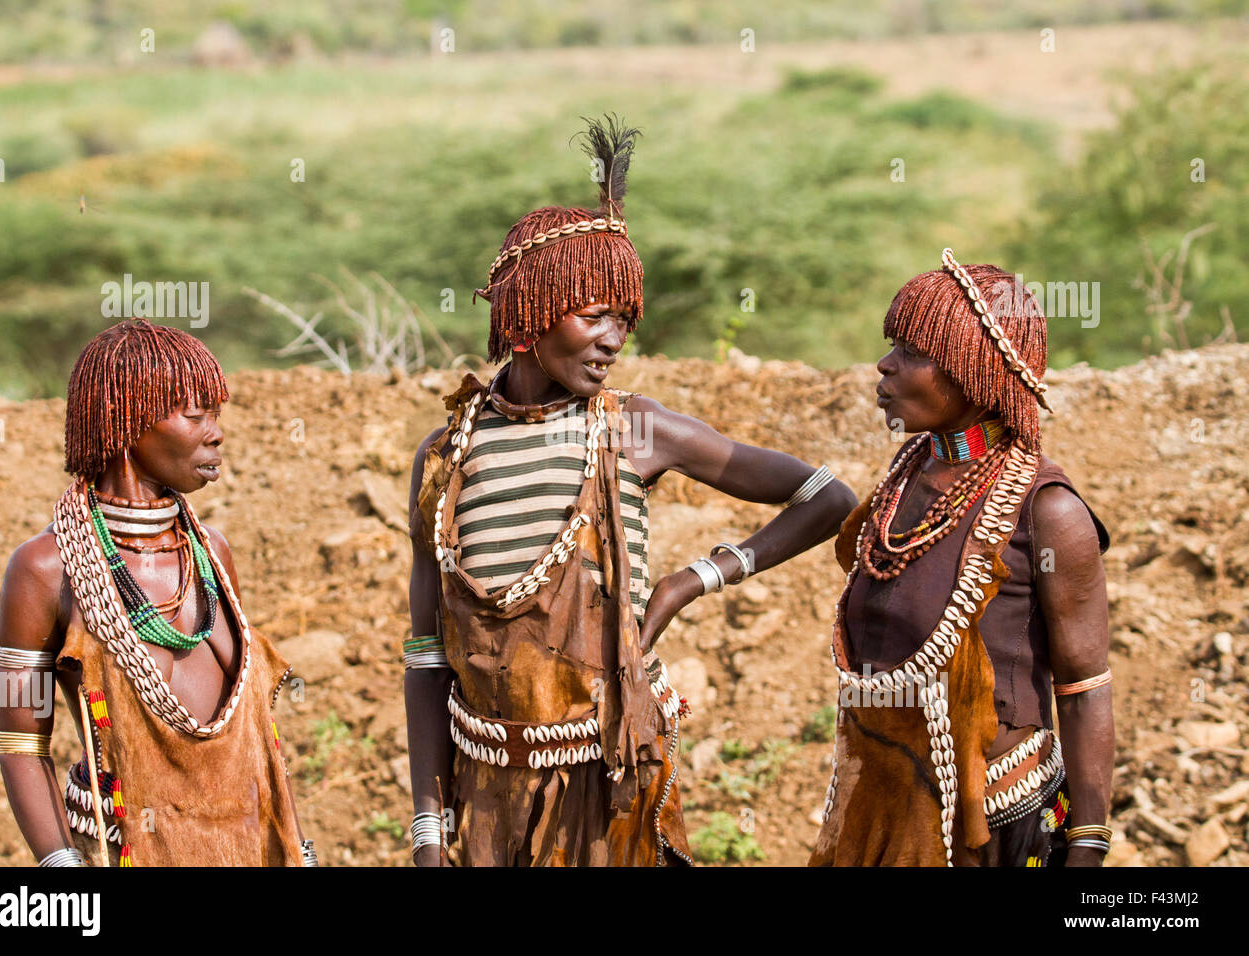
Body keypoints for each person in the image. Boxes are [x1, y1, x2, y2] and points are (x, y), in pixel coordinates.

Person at [404, 115, 858, 866]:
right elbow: (426, 654)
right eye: (593, 316)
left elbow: (827, 498)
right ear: (527, 321)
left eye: (625, 318)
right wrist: (427, 830)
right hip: (487, 792)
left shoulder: (633, 432)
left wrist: (692, 580)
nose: (614, 338)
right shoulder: (447, 456)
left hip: (613, 784)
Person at [811, 249, 1114, 867]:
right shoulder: (909, 473)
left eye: (912, 353)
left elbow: (1084, 689)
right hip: (884, 805)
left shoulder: (1048, 512)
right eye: (891, 345)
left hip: (997, 827)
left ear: (974, 370)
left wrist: (1087, 844)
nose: (885, 364)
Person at [0, 319, 315, 867]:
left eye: (216, 414)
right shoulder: (46, 568)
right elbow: (21, 744)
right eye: (194, 415)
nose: (215, 433)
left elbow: (256, 732)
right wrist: (62, 871)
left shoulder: (211, 553)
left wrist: (299, 850)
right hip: (124, 850)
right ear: (127, 424)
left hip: (247, 846)